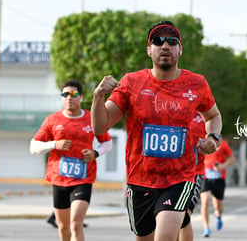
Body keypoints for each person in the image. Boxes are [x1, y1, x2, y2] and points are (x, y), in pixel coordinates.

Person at [90, 20, 222, 241]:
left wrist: (213, 136)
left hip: (180, 177)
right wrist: (98, 96)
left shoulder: (196, 83)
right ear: (149, 50)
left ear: (180, 49)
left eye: (172, 41)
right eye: (158, 41)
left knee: (166, 237)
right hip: (139, 179)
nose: (165, 46)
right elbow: (100, 126)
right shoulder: (131, 83)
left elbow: (214, 115)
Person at [30, 80, 113, 241]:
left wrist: (95, 153)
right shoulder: (52, 120)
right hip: (59, 180)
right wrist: (55, 144)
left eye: (74, 94)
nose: (69, 97)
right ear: (61, 98)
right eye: (65, 94)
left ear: (81, 97)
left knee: (75, 223)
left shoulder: (91, 118)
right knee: (63, 227)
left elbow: (107, 142)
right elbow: (33, 147)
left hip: (83, 178)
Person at [178, 112, 208, 241]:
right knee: (170, 215)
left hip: (194, 174)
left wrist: (209, 143)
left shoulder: (204, 115)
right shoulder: (173, 108)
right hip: (172, 173)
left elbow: (216, 139)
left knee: (184, 215)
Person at [200, 139, 235, 238]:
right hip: (205, 176)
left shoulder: (223, 143)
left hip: (219, 177)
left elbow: (232, 158)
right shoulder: (202, 141)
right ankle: (206, 228)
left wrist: (222, 166)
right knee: (205, 200)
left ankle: (218, 216)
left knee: (218, 204)